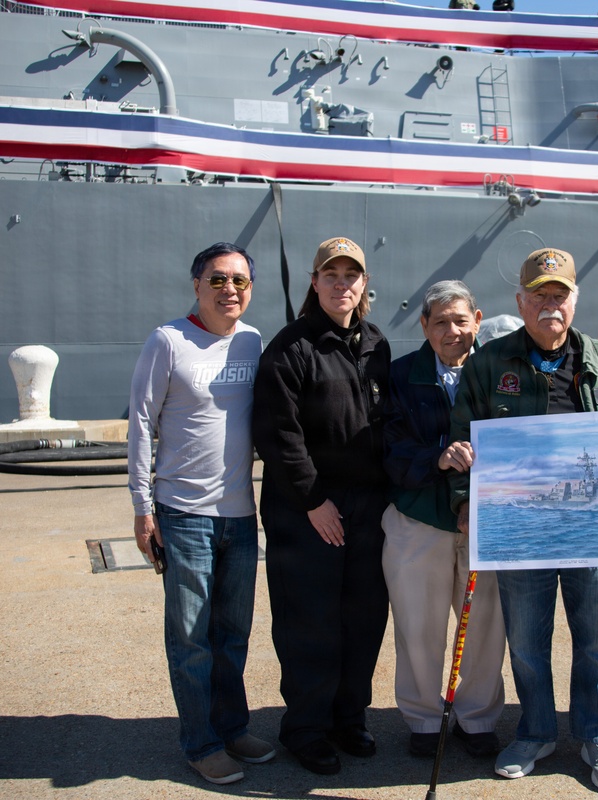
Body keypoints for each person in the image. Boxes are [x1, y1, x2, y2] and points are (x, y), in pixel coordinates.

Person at [448, 248, 598, 792]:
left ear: (574, 301)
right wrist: (463, 499)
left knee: (597, 639)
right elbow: (461, 434)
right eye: (539, 295)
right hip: (522, 531)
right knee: (528, 641)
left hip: (596, 531)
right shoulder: (489, 365)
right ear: (521, 302)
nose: (549, 305)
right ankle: (535, 731)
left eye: (559, 295)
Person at [128, 242, 273, 785]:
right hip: (183, 513)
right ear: (196, 286)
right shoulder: (169, 341)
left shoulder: (255, 342)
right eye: (217, 280)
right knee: (191, 638)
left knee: (232, 634)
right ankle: (201, 742)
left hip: (240, 514)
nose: (229, 289)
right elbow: (141, 423)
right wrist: (144, 509)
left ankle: (232, 727)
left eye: (239, 280)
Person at [252, 236, 391, 776]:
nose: (342, 284)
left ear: (364, 283)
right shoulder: (291, 348)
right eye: (330, 275)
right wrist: (314, 501)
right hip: (305, 508)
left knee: (362, 618)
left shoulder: (375, 344)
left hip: (367, 507)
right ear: (314, 282)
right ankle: (305, 728)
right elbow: (277, 434)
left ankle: (348, 718)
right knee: (309, 621)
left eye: (351, 275)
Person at [381, 281, 506, 759]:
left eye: (460, 320)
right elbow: (387, 448)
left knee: (484, 626)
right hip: (420, 520)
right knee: (418, 625)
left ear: (478, 319)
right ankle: (423, 718)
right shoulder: (399, 376)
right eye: (440, 322)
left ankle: (477, 718)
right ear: (424, 327)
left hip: (485, 520)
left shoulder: (500, 373)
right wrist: (436, 458)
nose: (452, 331)